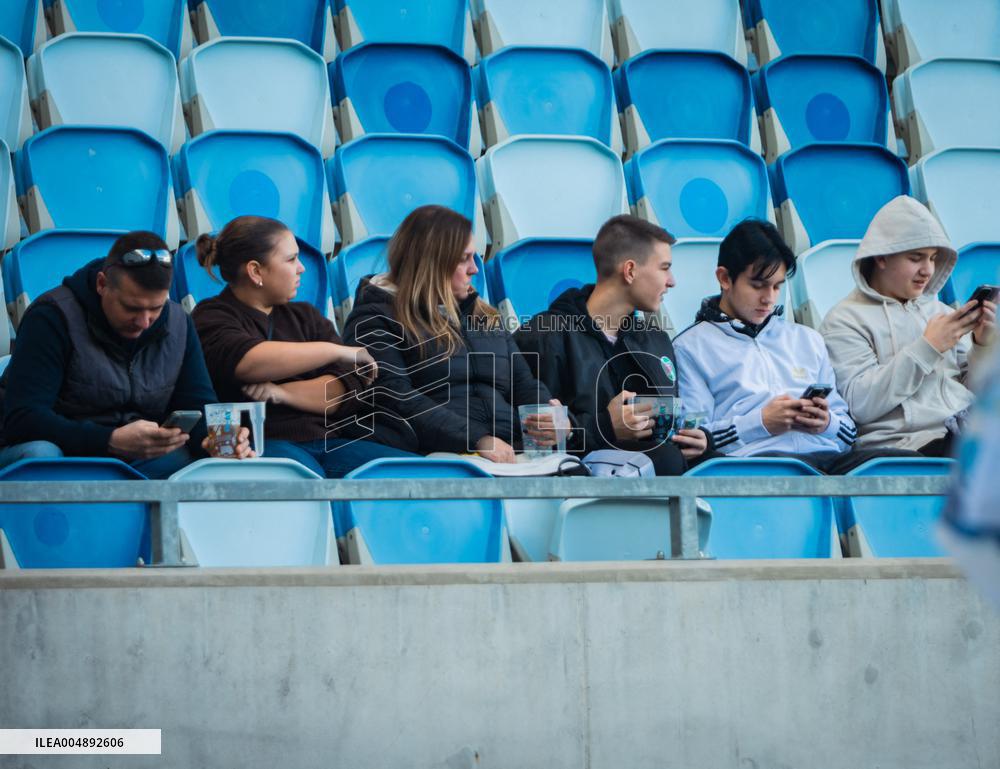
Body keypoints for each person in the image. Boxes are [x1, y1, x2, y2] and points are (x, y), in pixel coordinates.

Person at [0, 231, 252, 477]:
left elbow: (196, 404)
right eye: (131, 308)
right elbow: (24, 419)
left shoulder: (179, 324)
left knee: (205, 464)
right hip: (66, 454)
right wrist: (108, 440)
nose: (144, 321)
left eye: (155, 308)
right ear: (102, 284)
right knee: (41, 453)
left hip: (139, 457)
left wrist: (216, 439)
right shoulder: (52, 317)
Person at [191, 215, 418, 478]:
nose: (301, 268)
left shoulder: (305, 316)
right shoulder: (211, 316)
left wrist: (281, 393)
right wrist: (335, 350)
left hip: (331, 442)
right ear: (255, 271)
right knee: (304, 481)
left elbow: (344, 392)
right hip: (262, 444)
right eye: (290, 260)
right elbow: (248, 361)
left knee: (415, 473)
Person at [341, 204, 560, 462]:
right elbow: (395, 397)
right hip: (436, 455)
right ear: (431, 263)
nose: (474, 269)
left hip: (510, 451)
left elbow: (523, 382)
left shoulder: (484, 316)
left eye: (474, 257)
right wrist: (477, 439)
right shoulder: (376, 318)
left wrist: (547, 415)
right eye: (463, 259)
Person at [514, 214, 710, 475]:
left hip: (653, 465)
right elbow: (533, 438)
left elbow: (667, 423)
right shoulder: (543, 336)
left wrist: (699, 440)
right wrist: (605, 427)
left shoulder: (656, 339)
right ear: (630, 271)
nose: (672, 281)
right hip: (582, 475)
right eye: (664, 267)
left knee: (716, 463)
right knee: (665, 460)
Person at [673, 219, 866, 474]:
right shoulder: (690, 347)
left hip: (827, 458)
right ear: (724, 278)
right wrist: (761, 422)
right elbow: (695, 439)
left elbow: (848, 434)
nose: (769, 298)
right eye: (758, 285)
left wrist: (826, 423)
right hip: (758, 464)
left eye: (777, 286)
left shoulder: (808, 340)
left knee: (893, 464)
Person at [820, 195, 996, 456]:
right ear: (881, 257)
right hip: (905, 445)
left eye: (934, 258)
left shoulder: (942, 314)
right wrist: (929, 347)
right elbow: (860, 405)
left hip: (964, 433)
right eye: (916, 258)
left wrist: (982, 347)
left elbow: (979, 393)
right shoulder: (844, 320)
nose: (928, 270)